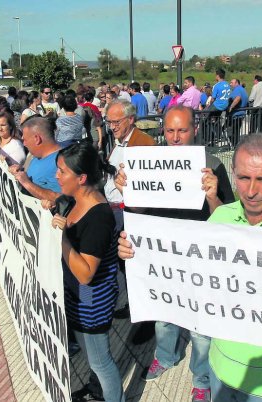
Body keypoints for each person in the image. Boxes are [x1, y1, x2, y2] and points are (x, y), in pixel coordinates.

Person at [118, 133, 262, 402]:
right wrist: (138, 252)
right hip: (218, 372)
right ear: (233, 173)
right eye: (243, 178)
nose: (251, 191)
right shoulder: (222, 216)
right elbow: (185, 269)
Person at [114, 105, 235, 402]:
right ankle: (166, 355)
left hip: (201, 259)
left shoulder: (212, 164)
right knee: (164, 315)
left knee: (202, 328)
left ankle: (202, 378)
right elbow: (140, 211)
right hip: (163, 259)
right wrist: (128, 191)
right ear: (162, 131)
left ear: (194, 129)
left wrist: (213, 195)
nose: (176, 137)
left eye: (182, 130)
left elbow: (229, 219)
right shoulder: (148, 162)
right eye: (170, 130)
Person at [47, 142, 125, 402]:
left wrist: (62, 238)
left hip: (91, 302)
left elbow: (85, 274)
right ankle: (97, 392)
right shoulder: (73, 200)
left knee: (101, 362)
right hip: (76, 298)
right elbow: (49, 198)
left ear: (81, 178)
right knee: (93, 358)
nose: (56, 176)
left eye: (61, 172)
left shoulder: (99, 216)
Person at [103, 100, 155, 320]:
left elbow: (148, 186)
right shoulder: (120, 141)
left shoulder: (143, 143)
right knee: (123, 265)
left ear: (131, 119)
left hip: (130, 212)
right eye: (109, 122)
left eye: (116, 122)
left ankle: (145, 313)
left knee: (134, 265)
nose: (112, 126)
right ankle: (135, 304)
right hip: (114, 209)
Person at [8, 116, 61, 202]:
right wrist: (19, 172)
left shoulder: (61, 162)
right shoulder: (36, 156)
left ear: (37, 139)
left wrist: (27, 183)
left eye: (25, 139)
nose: (24, 144)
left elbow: (61, 199)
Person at [226, 78, 249, 148]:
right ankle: (235, 145)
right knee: (236, 131)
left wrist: (231, 107)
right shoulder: (243, 89)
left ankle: (234, 146)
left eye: (231, 83)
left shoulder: (237, 89)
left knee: (233, 131)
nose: (230, 84)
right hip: (241, 114)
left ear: (236, 83)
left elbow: (238, 98)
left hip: (236, 114)